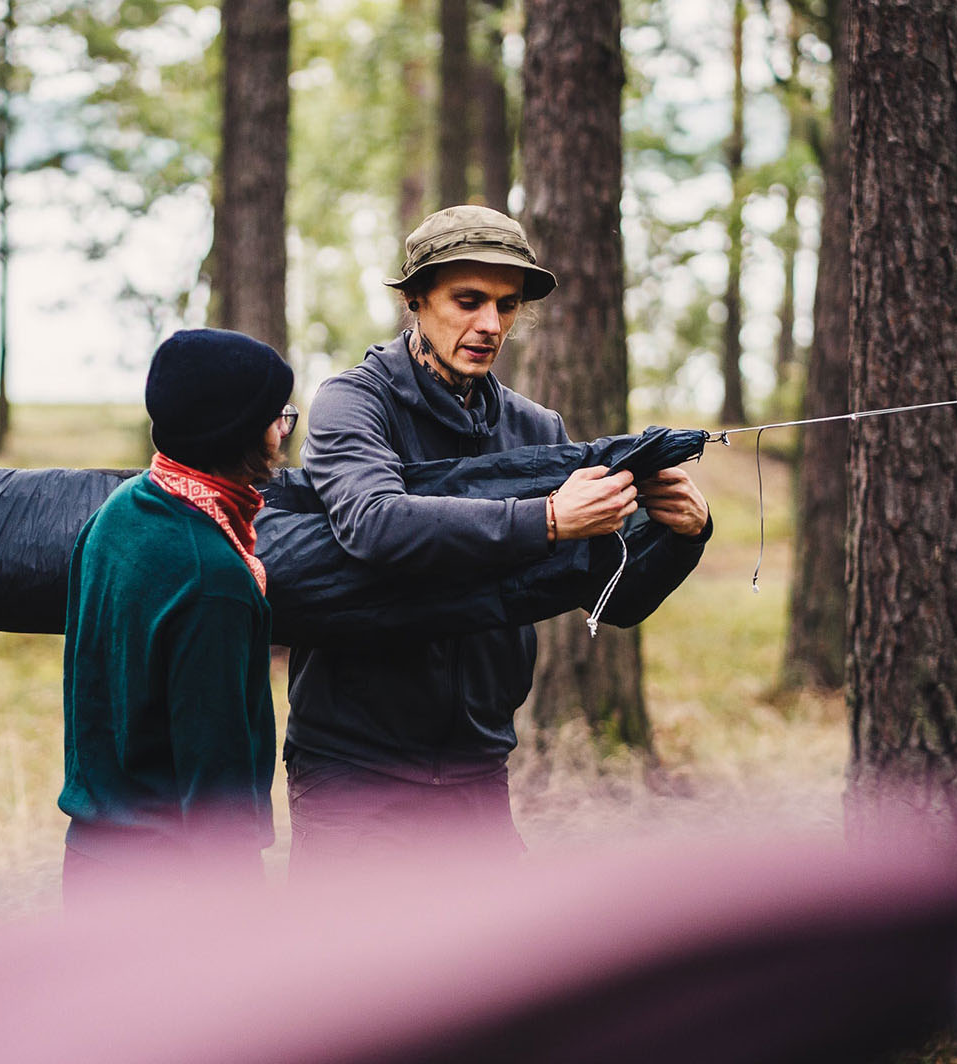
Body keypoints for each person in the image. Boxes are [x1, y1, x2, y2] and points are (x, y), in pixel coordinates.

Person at [284, 206, 712, 873]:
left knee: (484, 975)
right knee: (363, 974)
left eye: (506, 306)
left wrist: (683, 536)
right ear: (416, 300)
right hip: (354, 770)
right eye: (468, 300)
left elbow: (610, 597)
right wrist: (544, 518)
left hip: (477, 767)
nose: (489, 325)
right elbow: (373, 524)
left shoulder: (537, 429)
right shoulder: (354, 403)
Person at [57, 328, 298, 899]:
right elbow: (216, 794)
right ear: (240, 431)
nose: (283, 429)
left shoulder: (119, 514)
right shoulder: (211, 579)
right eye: (277, 415)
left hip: (93, 863)